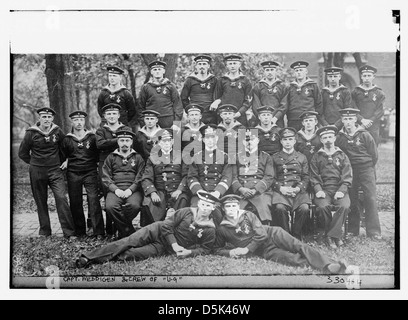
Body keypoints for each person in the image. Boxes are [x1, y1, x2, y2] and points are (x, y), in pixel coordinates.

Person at [75, 190, 218, 268]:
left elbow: (206, 249)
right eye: (203, 204)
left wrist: (189, 252)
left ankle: (98, 260)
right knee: (128, 242)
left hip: (163, 247)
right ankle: (88, 257)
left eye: (209, 206)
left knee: (131, 254)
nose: (205, 208)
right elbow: (167, 225)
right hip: (156, 231)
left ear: (213, 208)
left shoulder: (210, 229)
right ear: (199, 204)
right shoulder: (186, 211)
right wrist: (175, 244)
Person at [214, 194, 351, 274]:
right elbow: (216, 249)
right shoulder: (222, 229)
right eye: (228, 206)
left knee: (298, 246)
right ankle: (328, 267)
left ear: (238, 206)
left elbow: (261, 235)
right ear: (223, 209)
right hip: (264, 250)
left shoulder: (248, 215)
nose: (232, 209)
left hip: (272, 234)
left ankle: (329, 265)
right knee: (290, 258)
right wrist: (230, 252)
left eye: (234, 206)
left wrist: (246, 249)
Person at [18, 107, 76, 239]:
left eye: (49, 117)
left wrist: (66, 160)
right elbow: (22, 153)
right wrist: (35, 163)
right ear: (39, 118)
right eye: (44, 117)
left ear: (52, 118)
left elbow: (66, 147)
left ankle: (69, 233)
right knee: (41, 201)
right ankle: (45, 232)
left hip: (55, 171)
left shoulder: (57, 131)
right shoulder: (31, 133)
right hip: (37, 172)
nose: (47, 119)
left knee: (61, 198)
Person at [335, 108, 381, 240]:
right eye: (345, 119)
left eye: (351, 119)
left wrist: (367, 167)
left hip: (366, 169)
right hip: (350, 171)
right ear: (342, 120)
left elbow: (374, 155)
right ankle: (352, 230)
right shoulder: (339, 137)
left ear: (355, 119)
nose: (348, 122)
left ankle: (374, 231)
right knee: (352, 199)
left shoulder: (364, 135)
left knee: (370, 198)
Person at [60, 110, 104, 239]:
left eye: (81, 120)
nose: (78, 123)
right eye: (75, 120)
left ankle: (98, 231)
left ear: (84, 121)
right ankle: (80, 231)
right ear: (72, 122)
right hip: (73, 173)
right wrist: (67, 161)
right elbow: (63, 155)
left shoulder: (92, 137)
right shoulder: (67, 139)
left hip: (90, 172)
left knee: (93, 200)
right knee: (75, 201)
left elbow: (96, 155)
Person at [309, 125, 353, 249]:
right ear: (321, 140)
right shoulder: (316, 157)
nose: (328, 139)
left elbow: (347, 176)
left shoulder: (342, 155)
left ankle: (332, 235)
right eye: (324, 137)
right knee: (323, 207)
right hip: (323, 190)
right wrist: (318, 190)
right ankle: (333, 236)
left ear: (334, 138)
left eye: (330, 137)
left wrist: (342, 190)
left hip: (339, 189)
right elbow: (313, 176)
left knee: (344, 206)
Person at [95, 103, 133, 236]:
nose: (111, 116)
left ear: (118, 115)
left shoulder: (126, 128)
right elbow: (100, 144)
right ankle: (109, 229)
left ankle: (122, 227)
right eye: (109, 114)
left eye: (114, 114)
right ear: (104, 116)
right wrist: (119, 139)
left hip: (123, 165)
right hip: (105, 165)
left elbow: (130, 143)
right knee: (108, 195)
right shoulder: (101, 130)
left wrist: (109, 141)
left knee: (124, 197)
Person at [187, 124, 235, 226]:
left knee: (218, 214)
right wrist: (199, 191)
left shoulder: (225, 157)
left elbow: (227, 177)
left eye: (212, 137)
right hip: (200, 193)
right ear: (203, 140)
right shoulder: (196, 157)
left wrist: (217, 192)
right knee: (195, 213)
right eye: (207, 137)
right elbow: (192, 177)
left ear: (217, 138)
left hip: (217, 194)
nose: (210, 140)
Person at [101, 128, 145, 239]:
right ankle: (128, 230)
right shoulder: (111, 157)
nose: (124, 143)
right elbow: (105, 176)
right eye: (121, 140)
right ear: (117, 142)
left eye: (127, 141)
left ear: (131, 142)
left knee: (134, 206)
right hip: (116, 189)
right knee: (111, 207)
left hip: (133, 190)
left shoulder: (138, 157)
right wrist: (116, 190)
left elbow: (140, 176)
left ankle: (122, 231)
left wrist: (131, 189)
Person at [141, 128, 190, 227]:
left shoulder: (181, 156)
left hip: (176, 190)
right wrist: (153, 193)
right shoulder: (153, 157)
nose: (166, 143)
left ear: (172, 141)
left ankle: (177, 230)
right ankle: (155, 231)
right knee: (149, 203)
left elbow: (186, 175)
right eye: (163, 141)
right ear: (159, 142)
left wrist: (180, 190)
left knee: (183, 199)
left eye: (168, 140)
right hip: (160, 190)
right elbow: (147, 178)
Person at [271, 127, 311, 240]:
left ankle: (296, 235)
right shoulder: (274, 157)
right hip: (281, 189)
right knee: (280, 208)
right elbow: (271, 178)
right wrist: (281, 188)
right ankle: (286, 236)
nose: (287, 142)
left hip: (298, 190)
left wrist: (298, 188)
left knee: (304, 208)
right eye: (285, 139)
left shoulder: (302, 157)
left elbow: (306, 177)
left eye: (290, 139)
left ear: (294, 141)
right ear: (281, 141)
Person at [231, 128, 274, 225]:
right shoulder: (236, 157)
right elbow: (233, 177)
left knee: (263, 206)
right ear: (243, 141)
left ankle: (264, 232)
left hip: (260, 192)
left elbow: (269, 177)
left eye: (252, 139)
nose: (249, 142)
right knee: (235, 211)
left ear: (258, 140)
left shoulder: (266, 157)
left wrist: (255, 189)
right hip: (241, 192)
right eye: (246, 139)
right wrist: (241, 189)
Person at [139, 60, 183, 129]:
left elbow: (178, 105)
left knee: (174, 139)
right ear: (151, 72)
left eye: (159, 69)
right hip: (151, 121)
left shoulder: (171, 86)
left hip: (169, 121)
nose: (157, 71)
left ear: (163, 71)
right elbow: (140, 107)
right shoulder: (145, 87)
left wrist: (176, 123)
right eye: (155, 69)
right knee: (152, 140)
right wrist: (143, 124)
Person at [212, 54, 253, 127]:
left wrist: (240, 112)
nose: (232, 66)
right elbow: (216, 98)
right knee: (224, 136)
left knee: (241, 137)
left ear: (239, 64)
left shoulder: (245, 80)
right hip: (225, 117)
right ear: (227, 65)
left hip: (240, 116)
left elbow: (248, 100)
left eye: (234, 63)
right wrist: (222, 114)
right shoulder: (222, 80)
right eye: (230, 64)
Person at [351, 65, 385, 145]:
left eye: (369, 76)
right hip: (358, 124)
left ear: (373, 77)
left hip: (374, 126)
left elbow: (380, 111)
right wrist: (361, 120)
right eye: (364, 76)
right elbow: (353, 107)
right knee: (358, 147)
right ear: (361, 77)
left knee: (372, 148)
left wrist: (369, 121)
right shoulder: (355, 92)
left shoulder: (379, 93)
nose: (366, 78)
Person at [180, 54, 218, 125]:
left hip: (211, 114)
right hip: (195, 115)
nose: (202, 66)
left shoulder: (214, 80)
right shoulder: (190, 80)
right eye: (199, 64)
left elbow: (219, 95)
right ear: (196, 66)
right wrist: (190, 110)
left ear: (208, 66)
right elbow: (183, 98)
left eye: (204, 64)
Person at [285, 61, 323, 131]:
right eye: (296, 70)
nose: (299, 72)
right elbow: (286, 104)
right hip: (294, 120)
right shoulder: (290, 87)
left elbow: (319, 103)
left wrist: (315, 118)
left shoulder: (313, 85)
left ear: (306, 72)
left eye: (301, 70)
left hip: (309, 119)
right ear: (294, 73)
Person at [251, 60, 288, 128]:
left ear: (276, 71)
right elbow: (255, 105)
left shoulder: (282, 86)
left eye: (272, 70)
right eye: (267, 70)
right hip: (261, 121)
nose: (270, 72)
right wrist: (263, 118)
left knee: (278, 137)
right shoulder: (258, 86)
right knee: (258, 137)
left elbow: (284, 105)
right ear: (264, 72)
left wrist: (275, 118)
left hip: (277, 121)